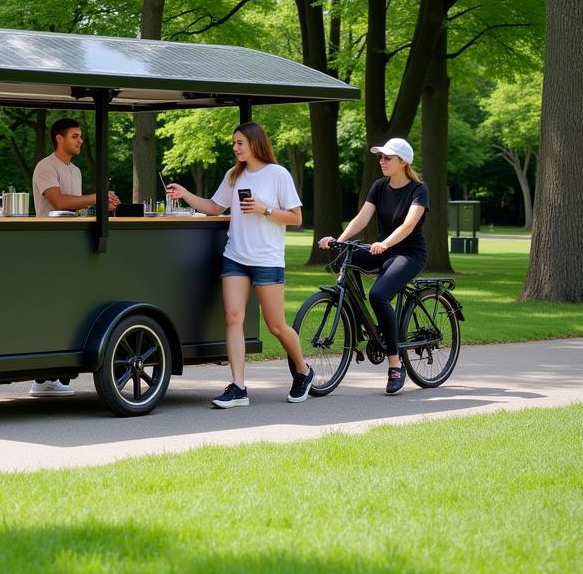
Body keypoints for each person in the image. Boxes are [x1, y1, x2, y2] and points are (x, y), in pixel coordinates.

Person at [166, 121, 313, 408]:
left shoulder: (278, 174)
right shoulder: (234, 175)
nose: (235, 148)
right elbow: (213, 207)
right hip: (235, 256)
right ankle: (238, 387)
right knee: (233, 318)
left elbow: (296, 218)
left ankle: (303, 371)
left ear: (255, 143)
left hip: (267, 259)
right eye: (234, 143)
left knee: (276, 325)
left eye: (239, 143)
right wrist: (185, 194)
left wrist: (265, 209)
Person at [317, 137, 429, 395]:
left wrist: (385, 244)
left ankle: (395, 365)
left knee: (379, 295)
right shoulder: (379, 187)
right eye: (380, 157)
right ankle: (361, 324)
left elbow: (408, 226)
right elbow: (362, 217)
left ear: (403, 162)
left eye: (388, 157)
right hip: (383, 249)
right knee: (345, 259)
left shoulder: (418, 190)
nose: (382, 161)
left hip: (408, 253)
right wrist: (339, 240)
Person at [28, 118, 120, 397]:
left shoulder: (76, 171)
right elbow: (59, 202)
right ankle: (41, 378)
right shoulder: (46, 167)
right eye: (75, 136)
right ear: (59, 138)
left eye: (80, 136)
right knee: (50, 307)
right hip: (49, 248)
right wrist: (97, 197)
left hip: (70, 248)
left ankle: (54, 377)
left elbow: (74, 210)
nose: (80, 141)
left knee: (69, 308)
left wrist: (102, 203)